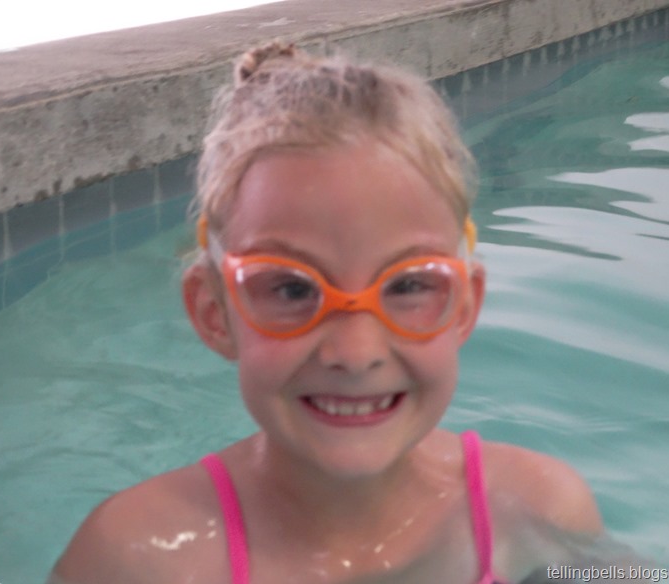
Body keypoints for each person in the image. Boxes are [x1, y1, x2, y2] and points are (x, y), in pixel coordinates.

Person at [48, 42, 606, 584]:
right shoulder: (138, 559)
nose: (356, 354)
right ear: (214, 312)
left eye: (408, 285)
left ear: (464, 306)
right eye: (293, 289)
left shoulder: (542, 513)